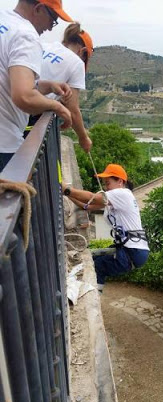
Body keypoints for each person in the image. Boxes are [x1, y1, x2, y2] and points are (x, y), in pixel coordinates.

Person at [0, 0, 73, 172]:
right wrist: (58, 107)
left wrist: (47, 86)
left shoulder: (4, 21)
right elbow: (24, 95)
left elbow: (11, 81)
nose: (50, 28)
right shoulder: (25, 35)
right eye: (53, 19)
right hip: (4, 144)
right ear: (39, 9)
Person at [62, 164, 150, 293]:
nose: (105, 187)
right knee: (92, 257)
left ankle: (94, 294)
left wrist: (67, 190)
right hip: (129, 249)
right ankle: (95, 292)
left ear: (120, 182)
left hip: (132, 251)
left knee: (98, 266)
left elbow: (91, 198)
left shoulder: (123, 193)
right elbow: (86, 206)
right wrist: (67, 195)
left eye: (108, 183)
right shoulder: (116, 200)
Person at [39, 22, 94, 152]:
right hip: (31, 120)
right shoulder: (77, 63)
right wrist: (83, 138)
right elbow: (73, 109)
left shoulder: (45, 46)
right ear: (83, 51)